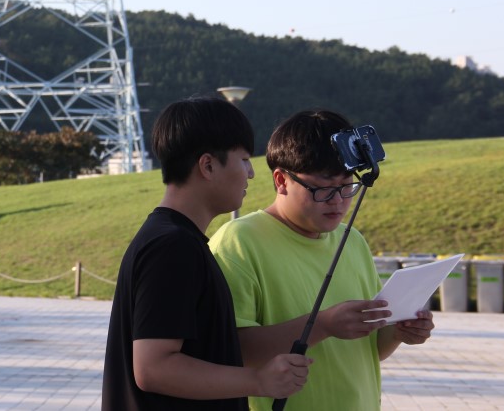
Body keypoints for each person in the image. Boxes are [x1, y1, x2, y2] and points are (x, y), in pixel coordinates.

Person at [209, 109, 434, 411]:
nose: (338, 201)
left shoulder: (352, 240)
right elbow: (231, 351)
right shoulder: (239, 242)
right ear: (281, 180)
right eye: (323, 189)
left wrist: (399, 332)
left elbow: (370, 350)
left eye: (347, 186)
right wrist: (324, 324)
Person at [102, 97, 312, 410]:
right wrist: (259, 381)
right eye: (243, 160)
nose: (251, 173)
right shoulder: (172, 246)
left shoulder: (175, 239)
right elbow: (153, 368)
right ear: (208, 165)